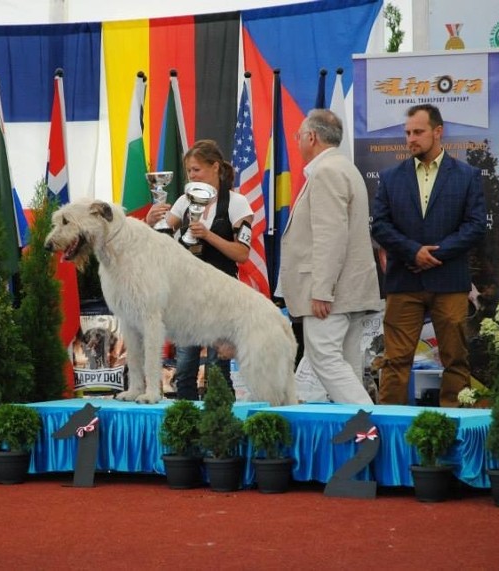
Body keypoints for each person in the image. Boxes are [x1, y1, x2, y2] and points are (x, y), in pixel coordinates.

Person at [371, 104, 486, 407]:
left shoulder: (467, 176)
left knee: (455, 361)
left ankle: (454, 428)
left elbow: (475, 226)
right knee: (395, 361)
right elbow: (379, 225)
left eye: (418, 132)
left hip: (449, 281)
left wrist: (435, 254)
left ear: (438, 132)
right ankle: (389, 428)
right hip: (403, 282)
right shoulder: (390, 177)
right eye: (408, 132)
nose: (411, 138)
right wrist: (413, 252)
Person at [279, 109, 382, 405]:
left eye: (299, 136)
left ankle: (368, 427)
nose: (297, 142)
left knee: (324, 358)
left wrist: (322, 290)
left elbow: (330, 236)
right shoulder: (344, 168)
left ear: (311, 137)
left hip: (332, 293)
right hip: (348, 289)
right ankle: (361, 433)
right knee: (346, 365)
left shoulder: (326, 172)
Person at [146, 139, 254, 400]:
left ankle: (222, 422)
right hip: (185, 296)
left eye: (196, 170)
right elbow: (160, 238)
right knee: (184, 367)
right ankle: (184, 422)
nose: (192, 176)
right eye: (189, 171)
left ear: (215, 167)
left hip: (221, 295)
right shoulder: (183, 201)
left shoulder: (237, 204)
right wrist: (149, 221)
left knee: (218, 367)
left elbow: (242, 253)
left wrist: (208, 235)